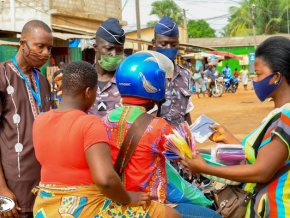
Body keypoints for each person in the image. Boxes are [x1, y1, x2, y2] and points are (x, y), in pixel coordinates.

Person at [32, 61, 172, 217]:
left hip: (45, 206)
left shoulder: (40, 120)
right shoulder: (89, 123)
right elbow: (105, 180)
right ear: (88, 92)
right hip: (83, 208)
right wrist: (128, 198)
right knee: (172, 215)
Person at [181, 36, 290, 217]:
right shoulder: (279, 114)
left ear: (276, 77)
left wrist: (204, 168)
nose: (255, 80)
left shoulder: (286, 116)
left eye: (259, 74)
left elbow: (262, 171)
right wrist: (228, 137)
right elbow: (262, 157)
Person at [103, 51, 220, 218]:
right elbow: (190, 158)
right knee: (214, 216)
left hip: (114, 203)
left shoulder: (105, 120)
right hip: (149, 207)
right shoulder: (158, 127)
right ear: (155, 83)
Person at [0, 20, 53, 218]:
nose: (46, 53)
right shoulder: (2, 76)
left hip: (44, 187)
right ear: (22, 44)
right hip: (13, 190)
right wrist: (2, 191)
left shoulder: (42, 80)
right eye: (40, 46)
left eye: (49, 48)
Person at [152, 16, 194, 128]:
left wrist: (190, 138)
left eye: (174, 44)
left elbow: (186, 113)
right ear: (154, 43)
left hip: (178, 141)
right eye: (164, 44)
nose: (169, 48)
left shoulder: (185, 74)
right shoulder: (146, 74)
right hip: (154, 142)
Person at [88, 18, 125, 118]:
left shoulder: (127, 82)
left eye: (119, 50)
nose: (114, 54)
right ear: (95, 47)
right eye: (109, 49)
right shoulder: (84, 79)